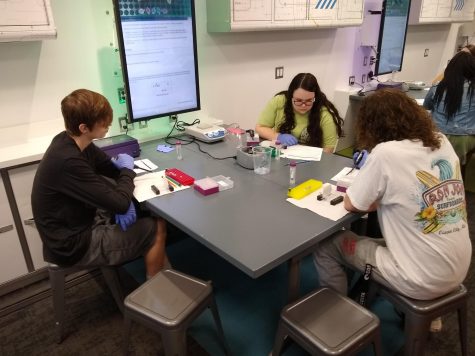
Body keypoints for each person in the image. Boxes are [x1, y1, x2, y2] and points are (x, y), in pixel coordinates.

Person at [314, 89, 471, 304]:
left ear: (370, 126)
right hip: (457, 266)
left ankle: (338, 314)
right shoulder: (441, 140)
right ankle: (427, 314)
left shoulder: (386, 153)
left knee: (328, 245)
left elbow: (353, 203)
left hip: (421, 278)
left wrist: (377, 185)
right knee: (378, 240)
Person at [31, 89, 168, 278]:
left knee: (136, 207)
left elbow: (110, 170)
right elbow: (120, 200)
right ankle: (159, 293)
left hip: (77, 222)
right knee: (156, 227)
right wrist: (127, 172)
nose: (108, 127)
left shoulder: (73, 141)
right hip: (73, 245)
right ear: (84, 127)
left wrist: (122, 179)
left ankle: (161, 272)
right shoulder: (68, 161)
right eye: (104, 124)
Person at [255, 73, 344, 153]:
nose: (303, 105)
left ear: (315, 98)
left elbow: (328, 150)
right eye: (298, 100)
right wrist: (279, 136)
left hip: (309, 162)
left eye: (309, 101)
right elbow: (260, 128)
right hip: (281, 154)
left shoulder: (324, 115)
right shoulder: (279, 101)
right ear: (291, 97)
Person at [424, 51, 475, 179]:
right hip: (465, 138)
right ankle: (459, 179)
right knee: (458, 164)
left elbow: (426, 106)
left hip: (437, 137)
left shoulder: (438, 87)